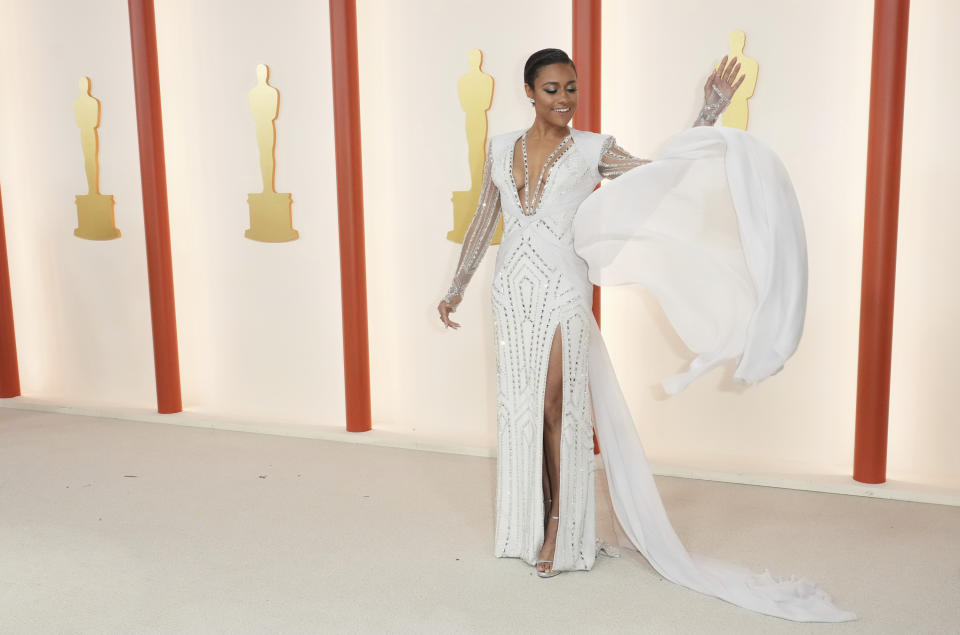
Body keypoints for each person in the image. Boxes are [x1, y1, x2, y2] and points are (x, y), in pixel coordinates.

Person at [437, 48, 855, 622]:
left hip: (563, 287)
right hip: (510, 288)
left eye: (572, 90)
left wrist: (708, 111)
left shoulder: (593, 149)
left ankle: (562, 529)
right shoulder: (498, 146)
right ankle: (527, 522)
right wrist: (457, 286)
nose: (565, 100)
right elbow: (486, 217)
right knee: (524, 408)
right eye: (553, 89)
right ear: (529, 91)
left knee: (556, 404)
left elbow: (662, 180)